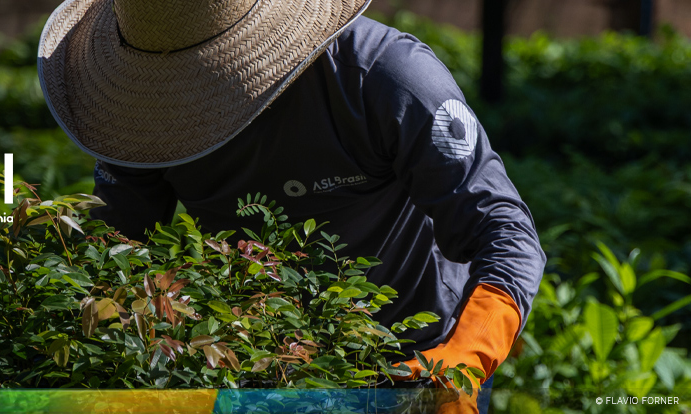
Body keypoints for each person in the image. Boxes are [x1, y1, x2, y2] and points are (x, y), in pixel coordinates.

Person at [37, 0, 546, 412]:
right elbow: (110, 255)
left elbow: (505, 232)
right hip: (256, 372)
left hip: (413, 363)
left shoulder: (382, 77)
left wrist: (462, 360)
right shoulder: (139, 116)